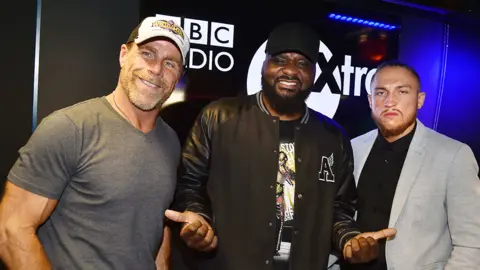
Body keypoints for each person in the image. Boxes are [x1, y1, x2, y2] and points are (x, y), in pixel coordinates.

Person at [164, 22, 396, 270]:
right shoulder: (219, 117)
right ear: (264, 65)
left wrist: (349, 239)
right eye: (280, 60)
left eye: (302, 63)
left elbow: (340, 208)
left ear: (315, 73)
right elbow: (190, 184)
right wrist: (198, 220)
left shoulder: (333, 137)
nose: (290, 71)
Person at [0, 17, 190, 269]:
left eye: (170, 63)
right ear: (124, 55)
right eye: (147, 53)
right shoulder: (69, 127)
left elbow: (155, 225)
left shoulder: (171, 141)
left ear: (179, 75)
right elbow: (11, 230)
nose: (156, 69)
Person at [337, 61, 480, 269]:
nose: (390, 101)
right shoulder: (353, 147)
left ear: (419, 100)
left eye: (402, 92)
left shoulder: (454, 155)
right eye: (380, 93)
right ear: (370, 100)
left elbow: (472, 242)